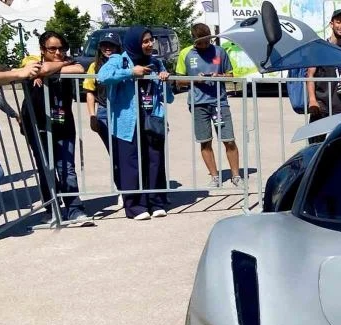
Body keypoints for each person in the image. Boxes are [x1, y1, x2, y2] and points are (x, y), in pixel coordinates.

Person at [97, 26, 174, 220]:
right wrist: (131, 72)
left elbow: (169, 98)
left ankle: (156, 202)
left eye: (151, 40)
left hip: (152, 119)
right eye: (145, 41)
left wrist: (165, 81)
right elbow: (102, 76)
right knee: (130, 163)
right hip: (127, 122)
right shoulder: (119, 59)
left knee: (154, 161)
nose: (150, 44)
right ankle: (135, 206)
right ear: (134, 43)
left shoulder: (156, 62)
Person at [20, 31, 89, 224]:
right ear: (42, 49)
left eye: (61, 48)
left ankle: (75, 209)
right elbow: (41, 69)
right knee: (46, 169)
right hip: (37, 125)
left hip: (63, 123)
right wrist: (59, 66)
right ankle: (52, 209)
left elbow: (79, 69)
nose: (58, 52)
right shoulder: (32, 63)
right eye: (52, 49)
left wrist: (55, 67)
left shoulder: (69, 62)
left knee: (67, 167)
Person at [175, 23, 242, 188]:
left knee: (229, 140)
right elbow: (178, 81)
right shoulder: (185, 53)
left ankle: (236, 176)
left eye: (207, 42)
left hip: (220, 102)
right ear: (193, 39)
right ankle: (214, 177)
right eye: (200, 43)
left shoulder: (220, 52)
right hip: (198, 104)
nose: (204, 45)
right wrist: (195, 79)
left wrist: (218, 76)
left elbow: (231, 75)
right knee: (205, 141)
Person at [306, 9, 341, 144]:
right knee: (316, 145)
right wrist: (312, 100)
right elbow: (310, 75)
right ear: (331, 24)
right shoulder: (320, 47)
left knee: (339, 145)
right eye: (339, 22)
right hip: (321, 106)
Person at [83, 32, 123, 188]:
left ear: (118, 47)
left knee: (126, 151)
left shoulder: (124, 63)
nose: (108, 48)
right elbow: (90, 92)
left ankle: (132, 187)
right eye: (105, 45)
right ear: (99, 48)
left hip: (123, 111)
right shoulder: (94, 66)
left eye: (112, 45)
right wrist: (92, 116)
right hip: (104, 112)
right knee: (114, 152)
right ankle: (121, 188)